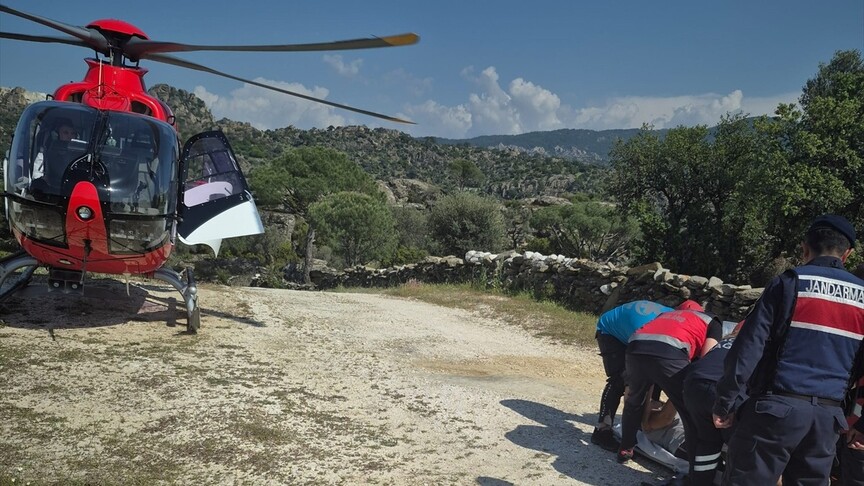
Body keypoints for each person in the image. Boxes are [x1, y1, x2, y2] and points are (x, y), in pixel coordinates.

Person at [712, 214, 864, 485]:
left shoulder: (790, 282)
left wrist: (725, 402)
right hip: (827, 421)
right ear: (847, 254)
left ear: (805, 247)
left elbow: (748, 347)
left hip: (774, 411)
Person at [618, 300, 723, 466]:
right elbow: (708, 358)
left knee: (634, 400)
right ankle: (696, 462)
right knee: (690, 408)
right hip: (670, 353)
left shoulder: (666, 315)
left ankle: (626, 448)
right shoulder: (711, 320)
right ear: (702, 310)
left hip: (635, 347)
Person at [592, 300, 673, 451]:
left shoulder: (676, 323)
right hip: (611, 332)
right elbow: (639, 373)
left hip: (636, 329)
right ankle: (602, 430)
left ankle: (642, 422)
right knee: (620, 380)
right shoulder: (646, 333)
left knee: (654, 374)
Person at [680, 322, 744, 486]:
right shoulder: (756, 345)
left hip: (694, 383)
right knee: (741, 447)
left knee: (708, 440)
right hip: (721, 388)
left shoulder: (724, 342)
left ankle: (698, 482)